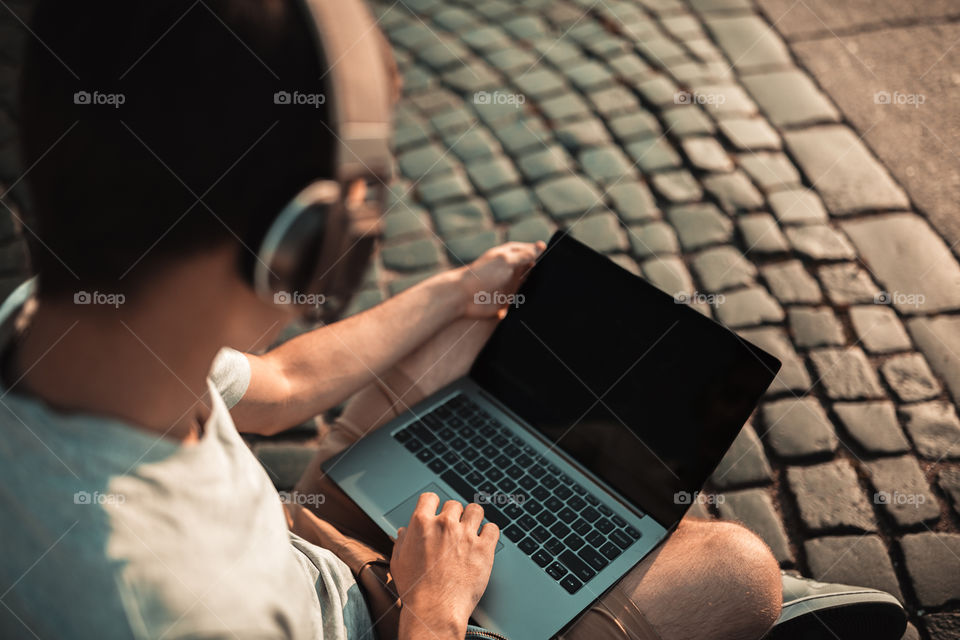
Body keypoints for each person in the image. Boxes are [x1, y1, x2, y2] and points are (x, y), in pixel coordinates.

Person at [0, 1, 905, 639]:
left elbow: (275, 390)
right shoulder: (179, 614)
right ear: (308, 244)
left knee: (482, 333)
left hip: (314, 550)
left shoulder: (55, 324)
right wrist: (433, 605)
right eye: (371, 189)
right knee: (737, 570)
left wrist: (456, 289)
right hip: (392, 614)